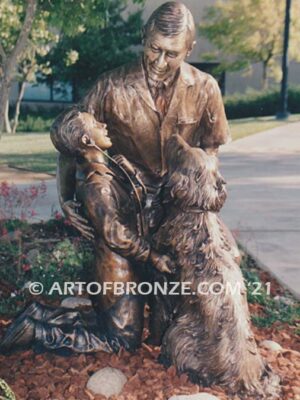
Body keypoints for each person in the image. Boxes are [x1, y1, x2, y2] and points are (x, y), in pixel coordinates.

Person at [50, 1, 230, 343]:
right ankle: (45, 325)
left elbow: (211, 149)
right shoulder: (109, 86)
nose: (160, 62)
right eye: (154, 49)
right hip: (123, 211)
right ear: (143, 37)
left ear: (189, 50)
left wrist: (198, 191)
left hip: (176, 212)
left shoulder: (206, 88)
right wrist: (65, 196)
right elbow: (71, 141)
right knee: (122, 333)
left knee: (174, 331)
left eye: (172, 54)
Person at [0, 113, 175, 354]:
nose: (104, 125)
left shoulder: (106, 169)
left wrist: (131, 175)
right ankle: (39, 332)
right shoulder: (96, 186)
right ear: (85, 140)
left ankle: (39, 314)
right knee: (121, 341)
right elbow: (114, 233)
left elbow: (133, 207)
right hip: (118, 274)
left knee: (106, 324)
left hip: (124, 267)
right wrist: (153, 256)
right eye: (96, 124)